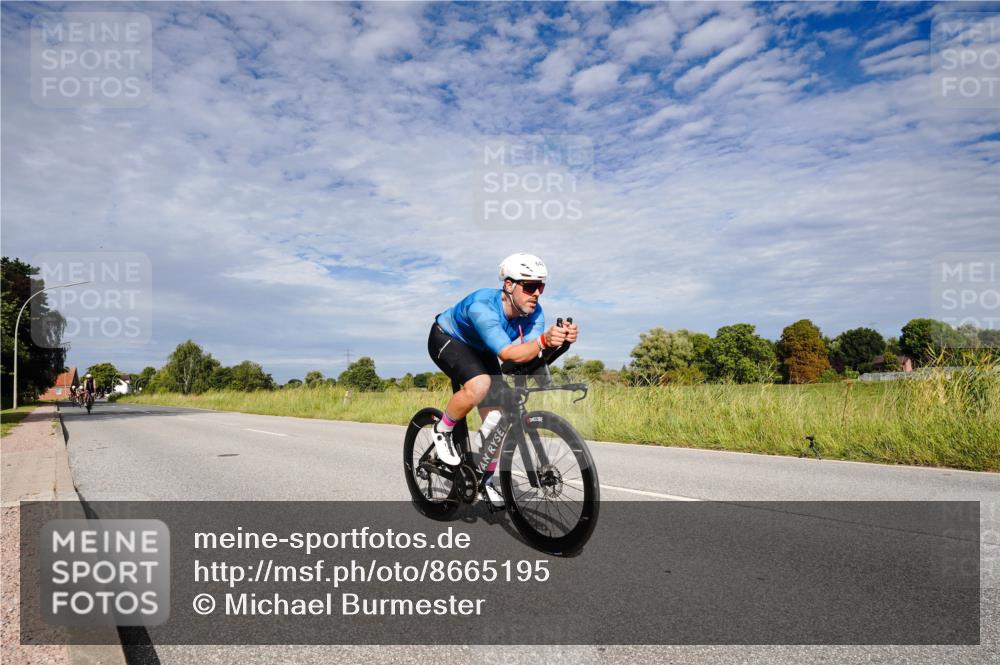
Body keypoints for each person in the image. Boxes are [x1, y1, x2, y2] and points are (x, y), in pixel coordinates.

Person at [427, 252, 578, 506]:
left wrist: (558, 343)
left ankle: (483, 479)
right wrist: (543, 340)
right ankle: (442, 430)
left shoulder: (534, 312)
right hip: (448, 339)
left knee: (497, 420)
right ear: (509, 285)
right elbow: (508, 353)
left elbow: (528, 354)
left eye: (541, 286)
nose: (537, 293)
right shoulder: (483, 307)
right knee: (480, 384)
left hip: (482, 349)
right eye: (530, 286)